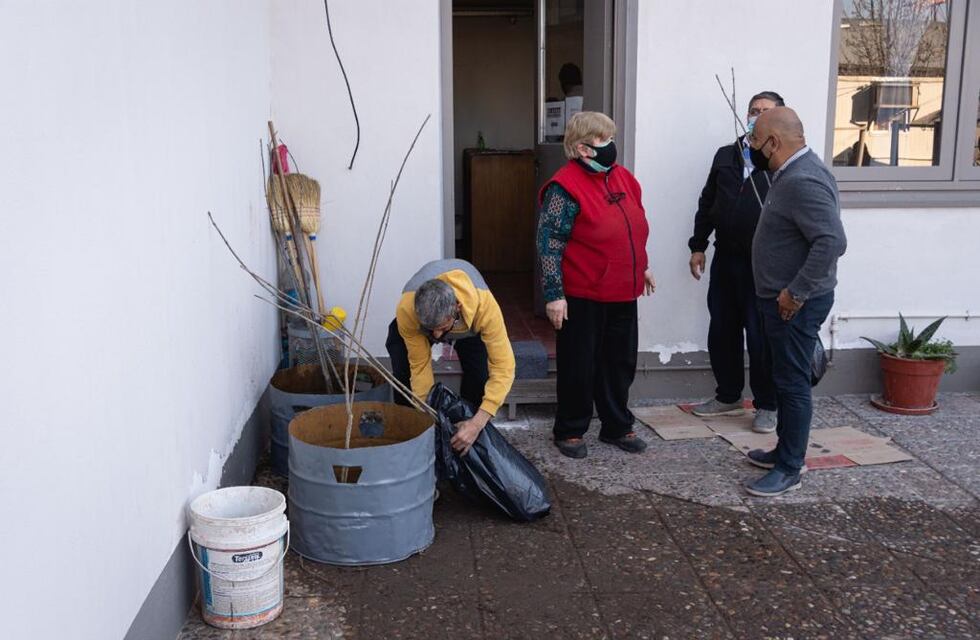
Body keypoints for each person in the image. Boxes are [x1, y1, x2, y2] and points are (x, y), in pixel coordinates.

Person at [536, 111, 655, 459]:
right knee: (579, 363)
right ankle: (571, 429)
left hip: (623, 289)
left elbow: (635, 228)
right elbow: (550, 242)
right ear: (581, 148)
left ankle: (617, 425)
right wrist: (554, 294)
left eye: (609, 138)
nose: (610, 146)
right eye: (602, 140)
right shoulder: (564, 187)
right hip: (583, 293)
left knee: (619, 363)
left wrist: (642, 266)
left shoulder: (624, 179)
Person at [745, 107, 847, 497]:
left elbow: (832, 241)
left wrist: (795, 292)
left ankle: (790, 467)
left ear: (774, 142)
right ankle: (783, 451)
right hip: (780, 298)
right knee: (782, 377)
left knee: (791, 383)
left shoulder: (803, 178)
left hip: (794, 302)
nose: (752, 149)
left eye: (755, 142)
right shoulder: (792, 173)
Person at [687, 91, 784, 433]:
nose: (757, 116)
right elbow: (708, 200)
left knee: (760, 337)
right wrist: (698, 245)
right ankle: (728, 395)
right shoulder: (727, 154)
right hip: (726, 259)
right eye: (753, 110)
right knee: (723, 330)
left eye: (766, 111)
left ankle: (767, 404)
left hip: (764, 267)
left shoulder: (782, 157)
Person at [386, 259, 515, 456]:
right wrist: (425, 417)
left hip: (469, 327)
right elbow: (420, 367)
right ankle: (409, 436)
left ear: (457, 307)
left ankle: (467, 435)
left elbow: (504, 367)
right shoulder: (407, 309)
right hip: (423, 325)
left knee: (479, 374)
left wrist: (477, 422)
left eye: (442, 329)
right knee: (403, 370)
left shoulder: (484, 307)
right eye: (432, 330)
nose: (437, 337)